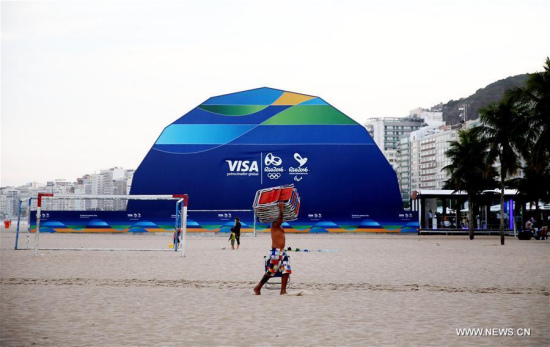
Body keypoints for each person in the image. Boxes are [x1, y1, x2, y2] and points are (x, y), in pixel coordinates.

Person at [254, 202, 291, 295]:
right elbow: (281, 219)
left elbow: (281, 220)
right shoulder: (275, 225)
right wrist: (281, 208)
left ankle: (283, 291)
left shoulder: (279, 225)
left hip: (282, 252)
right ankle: (258, 287)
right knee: (271, 272)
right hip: (276, 252)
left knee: (286, 270)